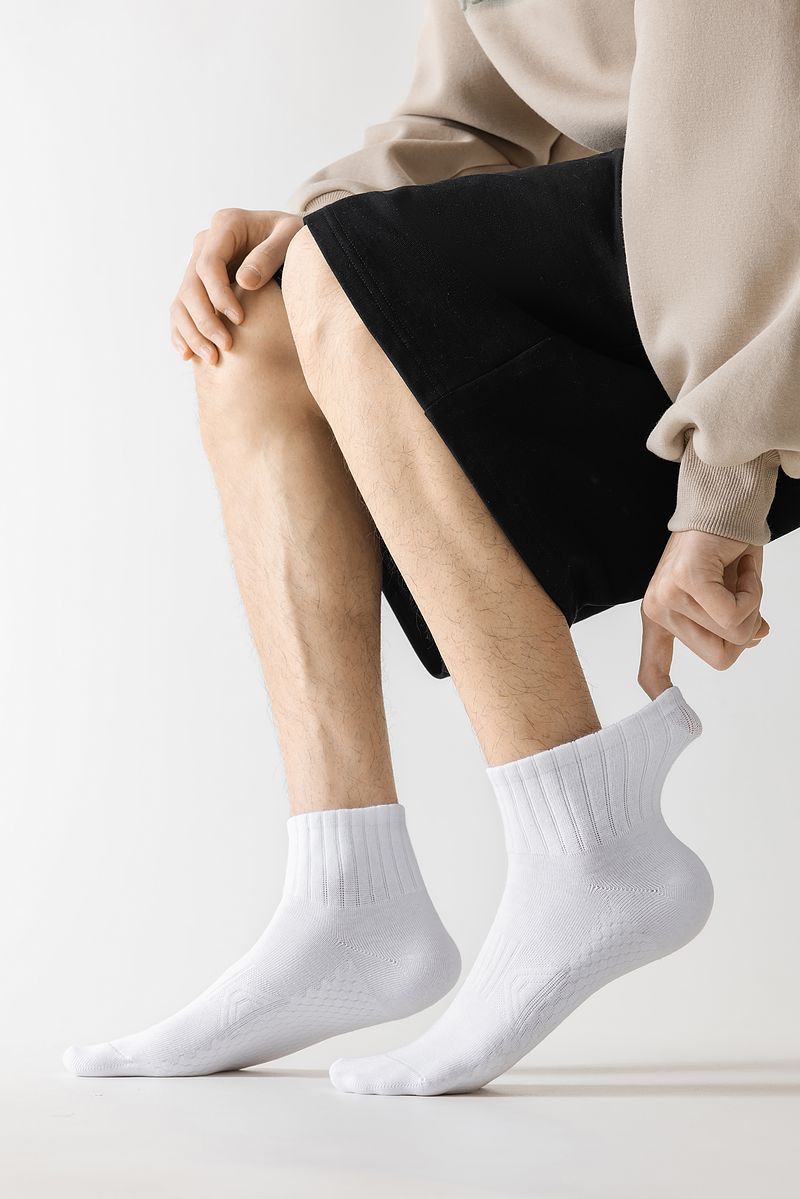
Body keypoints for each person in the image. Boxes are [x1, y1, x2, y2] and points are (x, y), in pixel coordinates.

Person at [63, 0, 800, 1094]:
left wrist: (727, 479)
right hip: (676, 253)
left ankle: (585, 840)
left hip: (764, 283)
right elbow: (474, 122)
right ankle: (348, 892)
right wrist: (305, 225)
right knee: (256, 324)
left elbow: (753, 132)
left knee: (342, 275)